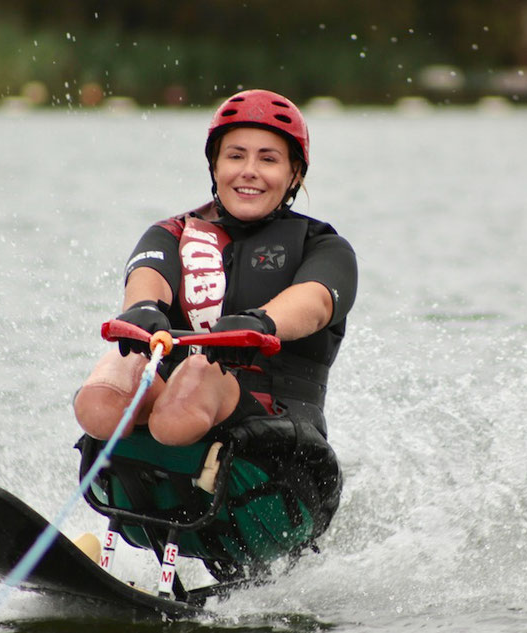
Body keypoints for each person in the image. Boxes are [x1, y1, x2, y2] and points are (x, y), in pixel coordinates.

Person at [72, 89, 357, 567]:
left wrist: (262, 322)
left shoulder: (324, 247)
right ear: (215, 166)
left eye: (268, 158)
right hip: (170, 455)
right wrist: (142, 308)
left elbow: (313, 302)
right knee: (117, 374)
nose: (249, 170)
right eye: (235, 156)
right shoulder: (175, 232)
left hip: (276, 473)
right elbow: (149, 275)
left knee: (197, 377)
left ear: (295, 174)